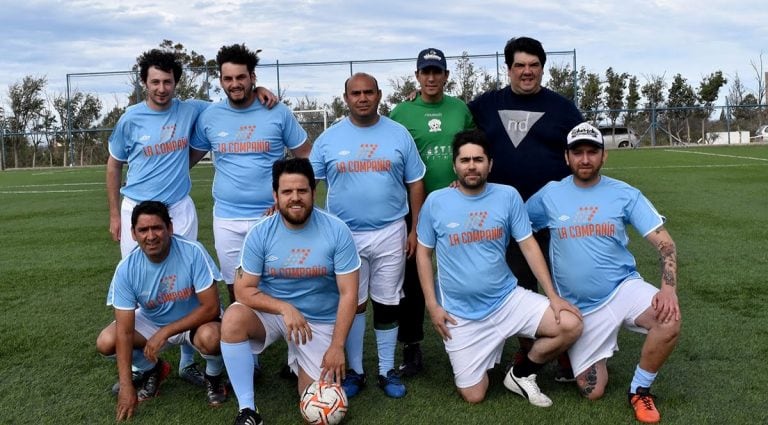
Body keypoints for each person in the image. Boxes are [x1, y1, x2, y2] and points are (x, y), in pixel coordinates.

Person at [106, 48, 276, 385]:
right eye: (154, 82)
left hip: (177, 209)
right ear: (144, 83)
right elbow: (114, 165)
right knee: (142, 284)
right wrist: (114, 214)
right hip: (136, 212)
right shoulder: (130, 118)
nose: (161, 88)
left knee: (185, 285)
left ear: (176, 84)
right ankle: (145, 365)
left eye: (167, 82)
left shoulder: (192, 110)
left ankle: (188, 360)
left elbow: (230, 99)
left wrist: (258, 91)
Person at [525, 122, 681, 423]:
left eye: (592, 152)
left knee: (669, 319)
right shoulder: (550, 195)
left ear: (603, 156)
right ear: (567, 157)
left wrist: (668, 289)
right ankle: (585, 350)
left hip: (623, 288)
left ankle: (640, 390)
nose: (585, 159)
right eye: (578, 152)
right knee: (592, 391)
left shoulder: (625, 194)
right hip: (580, 307)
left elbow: (665, 242)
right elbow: (517, 224)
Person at [415, 129, 582, 406]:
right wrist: (433, 306)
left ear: (490, 164)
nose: (471, 166)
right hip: (460, 314)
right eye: (465, 160)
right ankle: (484, 350)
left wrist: (552, 295)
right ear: (454, 164)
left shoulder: (508, 196)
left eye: (478, 160)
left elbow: (529, 245)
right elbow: (423, 255)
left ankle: (521, 373)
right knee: (474, 395)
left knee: (570, 325)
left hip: (506, 301)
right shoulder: (436, 202)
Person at [467, 36, 585, 377]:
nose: (527, 71)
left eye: (534, 65)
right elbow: (452, 118)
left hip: (554, 217)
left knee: (562, 285)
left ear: (542, 69)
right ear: (508, 69)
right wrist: (424, 97)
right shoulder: (485, 105)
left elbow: (582, 153)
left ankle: (563, 350)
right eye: (520, 65)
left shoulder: (563, 108)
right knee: (519, 288)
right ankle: (527, 355)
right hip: (504, 217)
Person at [310, 73, 426, 399]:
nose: (362, 98)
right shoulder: (329, 139)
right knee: (354, 303)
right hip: (345, 235)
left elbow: (415, 181)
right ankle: (357, 371)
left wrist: (414, 228)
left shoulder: (399, 134)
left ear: (379, 95)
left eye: (368, 92)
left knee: (387, 302)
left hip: (391, 230)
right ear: (345, 98)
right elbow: (309, 184)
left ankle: (386, 369)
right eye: (355, 93)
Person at [219, 158, 360, 425]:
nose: (295, 198)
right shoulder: (260, 233)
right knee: (234, 318)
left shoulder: (337, 231)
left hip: (318, 322)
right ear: (275, 195)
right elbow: (243, 290)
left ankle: (299, 362)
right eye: (287, 192)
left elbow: (349, 294)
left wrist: (337, 346)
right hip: (275, 315)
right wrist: (285, 308)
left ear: (313, 192)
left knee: (318, 414)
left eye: (302, 191)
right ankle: (247, 410)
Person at [190, 43, 309, 306]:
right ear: (220, 80)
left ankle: (291, 337)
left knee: (281, 282)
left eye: (241, 77)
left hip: (271, 216)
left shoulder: (276, 111)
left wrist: (289, 198)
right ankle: (245, 342)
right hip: (227, 219)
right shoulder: (210, 115)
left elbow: (307, 157)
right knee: (236, 288)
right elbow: (186, 160)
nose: (234, 84)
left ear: (252, 77)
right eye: (228, 78)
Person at [95, 201, 227, 421]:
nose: (151, 236)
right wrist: (127, 385)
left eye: (157, 227)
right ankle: (152, 369)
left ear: (170, 228)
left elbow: (211, 307)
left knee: (211, 337)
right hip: (153, 321)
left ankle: (213, 377)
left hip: (196, 321)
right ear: (133, 234)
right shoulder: (126, 269)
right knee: (107, 341)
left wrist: (165, 332)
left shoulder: (193, 251)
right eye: (143, 230)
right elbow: (125, 332)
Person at [389, 47, 475, 377]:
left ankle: (473, 333)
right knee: (411, 278)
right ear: (417, 76)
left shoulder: (460, 109)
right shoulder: (401, 113)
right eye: (425, 72)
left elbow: (473, 146)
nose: (431, 77)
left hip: (459, 204)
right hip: (416, 208)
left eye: (437, 71)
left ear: (446, 76)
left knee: (466, 270)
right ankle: (412, 347)